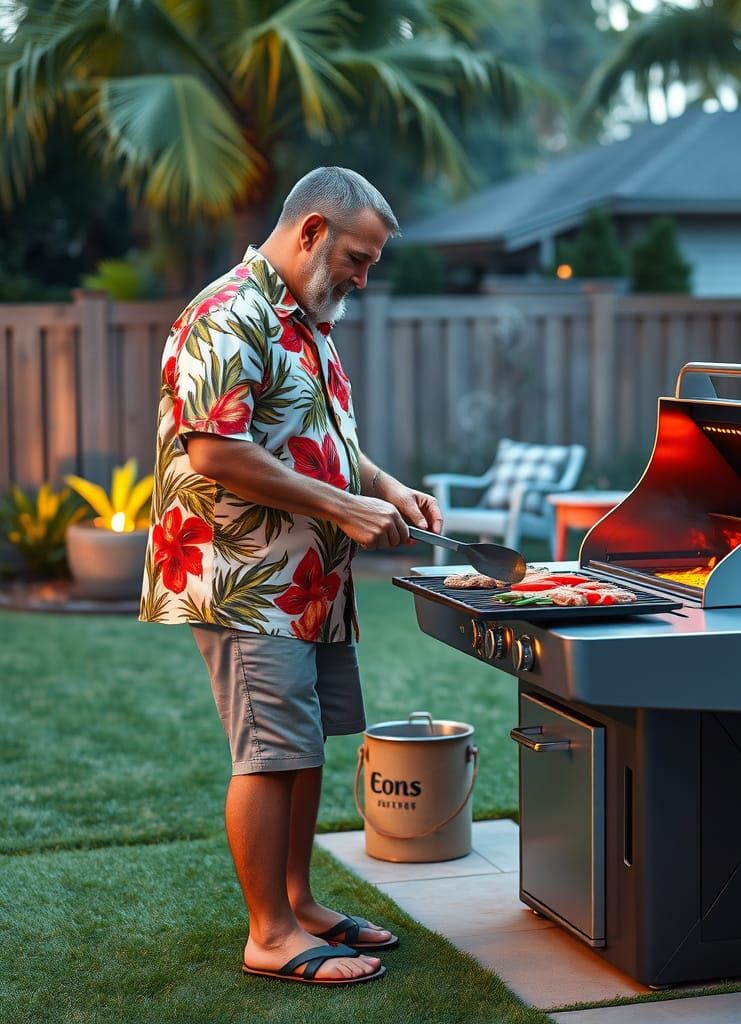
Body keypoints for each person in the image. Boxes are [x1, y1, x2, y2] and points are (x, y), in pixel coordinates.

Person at [139, 167, 442, 986]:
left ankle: (300, 902)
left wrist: (382, 487)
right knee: (268, 753)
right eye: (357, 256)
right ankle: (268, 932)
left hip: (309, 582)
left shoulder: (306, 322)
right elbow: (215, 449)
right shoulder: (225, 313)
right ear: (312, 230)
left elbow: (324, 437)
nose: (362, 276)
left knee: (302, 744)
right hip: (246, 579)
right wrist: (344, 511)